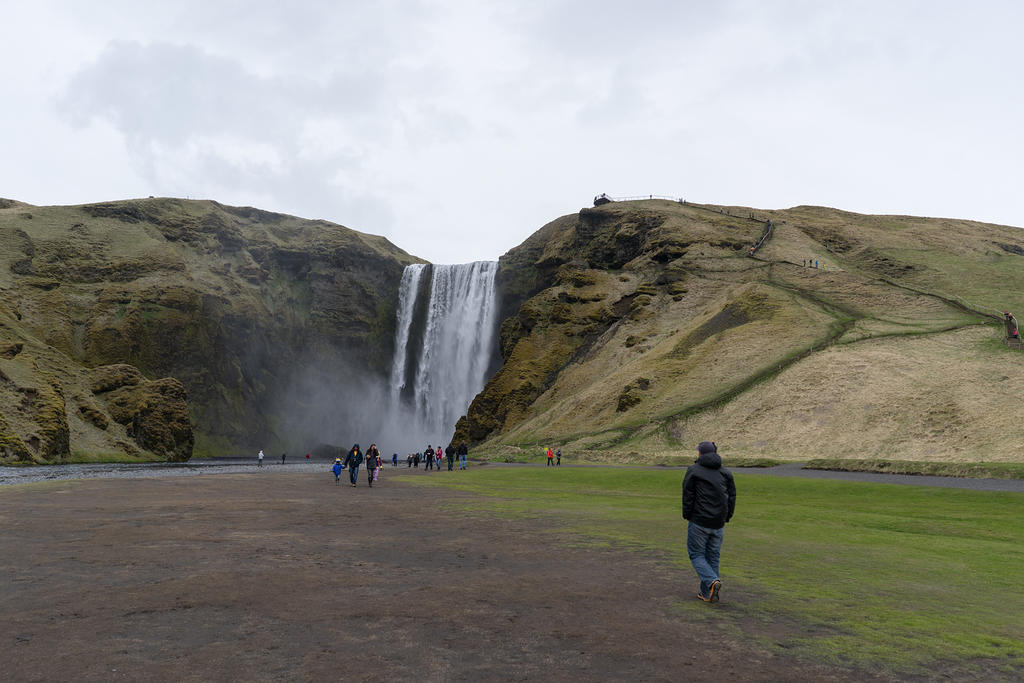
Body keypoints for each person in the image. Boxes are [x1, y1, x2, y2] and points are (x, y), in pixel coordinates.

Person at [682, 441, 736, 603]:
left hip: (699, 521)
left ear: (700, 453)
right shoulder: (725, 473)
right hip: (718, 523)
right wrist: (727, 517)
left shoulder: (693, 470)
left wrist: (687, 515)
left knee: (696, 554)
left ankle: (712, 581)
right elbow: (731, 497)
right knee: (712, 557)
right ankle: (706, 593)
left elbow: (688, 496)